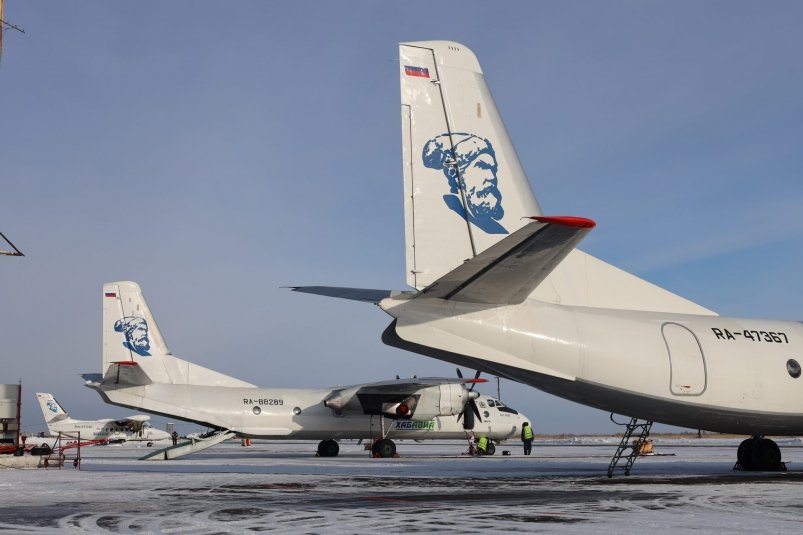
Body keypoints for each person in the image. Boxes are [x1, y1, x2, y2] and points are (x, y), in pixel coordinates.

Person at [422, 132, 508, 234]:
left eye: (492, 169)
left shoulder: (496, 230)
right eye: (482, 166)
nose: (492, 177)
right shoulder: (455, 216)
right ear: (457, 176)